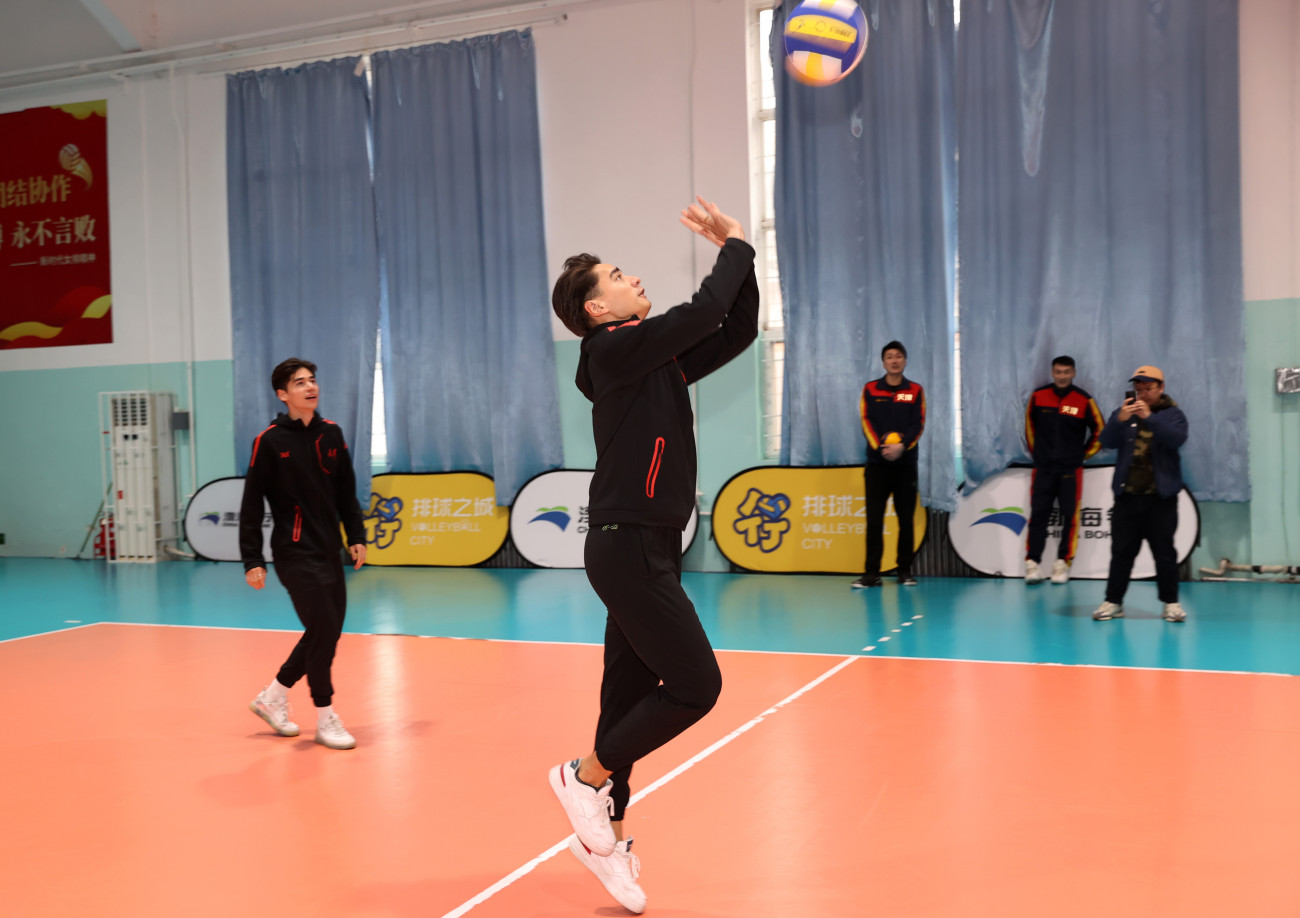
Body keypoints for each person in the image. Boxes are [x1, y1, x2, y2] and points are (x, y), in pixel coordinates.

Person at [547, 198, 758, 914]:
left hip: (647, 548)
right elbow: (701, 314)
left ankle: (609, 839)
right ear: (596, 311)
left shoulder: (648, 362)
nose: (632, 277)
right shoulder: (611, 350)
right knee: (697, 685)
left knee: (627, 699)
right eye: (617, 275)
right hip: (627, 543)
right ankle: (584, 777)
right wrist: (729, 244)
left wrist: (746, 255)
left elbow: (736, 329)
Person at [240, 358, 368, 749]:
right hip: (293, 554)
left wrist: (356, 535)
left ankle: (273, 696)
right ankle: (326, 717)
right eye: (300, 383)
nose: (310, 387)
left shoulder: (332, 434)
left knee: (325, 632)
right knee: (324, 631)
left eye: (312, 380)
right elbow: (251, 503)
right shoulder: (269, 441)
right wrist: (253, 559)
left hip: (330, 550)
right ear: (283, 394)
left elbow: (346, 491)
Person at [1092, 365, 1188, 623]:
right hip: (1128, 497)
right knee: (1121, 552)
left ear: (1161, 388)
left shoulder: (1172, 414)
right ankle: (1113, 602)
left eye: (1148, 388)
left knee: (1164, 553)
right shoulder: (1124, 413)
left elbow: (1176, 439)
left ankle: (1171, 604)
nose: (1143, 393)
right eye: (1139, 388)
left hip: (1161, 499)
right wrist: (1119, 420)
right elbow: (1106, 440)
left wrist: (1150, 417)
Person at [1023, 356, 1104, 584]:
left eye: (1066, 372)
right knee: (1038, 515)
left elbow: (1100, 431)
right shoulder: (1038, 397)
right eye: (1058, 372)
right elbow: (1029, 428)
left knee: (1070, 517)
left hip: (1071, 470)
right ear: (1052, 373)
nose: (1062, 376)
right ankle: (1032, 564)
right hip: (1043, 469)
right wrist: (1038, 455)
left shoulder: (1083, 400)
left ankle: (1062, 564)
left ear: (1074, 373)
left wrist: (1081, 455)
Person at [853, 341, 926, 588]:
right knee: (874, 521)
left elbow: (918, 423)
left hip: (905, 465)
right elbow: (866, 420)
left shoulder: (913, 391)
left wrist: (901, 446)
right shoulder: (871, 389)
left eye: (898, 357)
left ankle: (904, 571)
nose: (894, 361)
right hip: (877, 465)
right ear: (883, 362)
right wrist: (882, 448)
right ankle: (871, 574)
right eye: (889, 357)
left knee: (905, 520)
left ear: (905, 361)